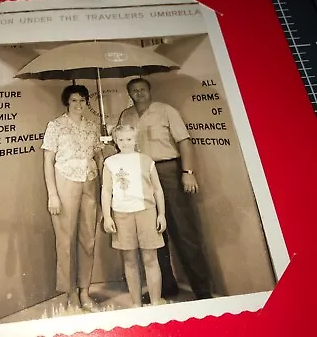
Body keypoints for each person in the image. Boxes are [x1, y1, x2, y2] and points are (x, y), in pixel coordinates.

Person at [118, 77, 212, 300]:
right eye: (134, 90)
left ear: (150, 91)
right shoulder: (126, 115)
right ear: (129, 94)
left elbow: (184, 142)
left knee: (184, 231)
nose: (139, 93)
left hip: (168, 170)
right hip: (141, 174)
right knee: (153, 234)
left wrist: (187, 173)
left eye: (142, 89)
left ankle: (202, 290)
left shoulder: (166, 111)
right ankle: (165, 287)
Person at [41, 84, 104, 311]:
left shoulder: (91, 125)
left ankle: (84, 292)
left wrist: (104, 185)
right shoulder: (56, 126)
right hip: (65, 181)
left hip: (90, 181)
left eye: (83, 100)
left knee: (88, 239)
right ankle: (70, 294)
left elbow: (98, 155)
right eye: (74, 100)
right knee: (66, 240)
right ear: (67, 102)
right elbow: (48, 161)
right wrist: (53, 195)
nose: (79, 104)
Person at [101, 125, 166, 307]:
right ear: (115, 141)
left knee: (150, 258)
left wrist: (161, 214)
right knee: (129, 260)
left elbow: (158, 190)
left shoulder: (146, 161)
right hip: (122, 214)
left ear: (135, 139)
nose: (125, 143)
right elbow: (106, 191)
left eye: (129, 139)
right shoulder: (110, 163)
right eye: (121, 139)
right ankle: (136, 304)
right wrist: (107, 216)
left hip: (146, 212)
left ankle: (155, 302)